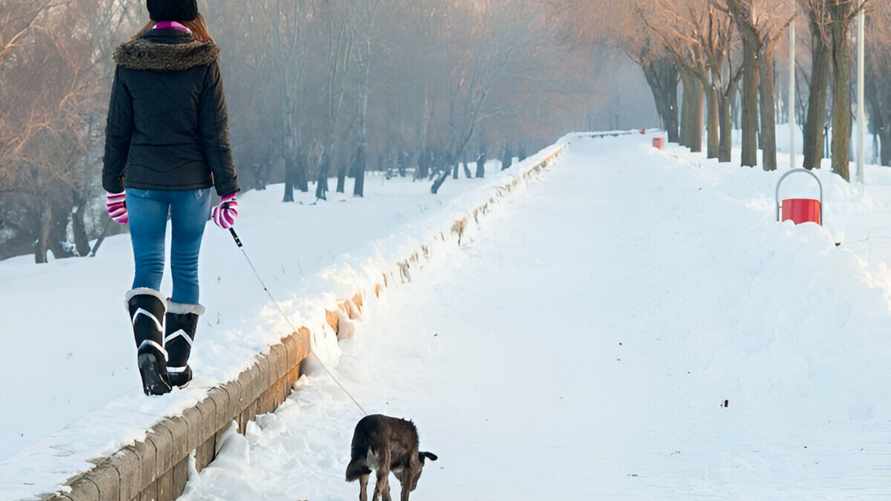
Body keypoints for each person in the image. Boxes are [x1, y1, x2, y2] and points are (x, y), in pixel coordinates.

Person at [102, 0, 240, 395]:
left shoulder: (130, 61)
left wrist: (113, 185)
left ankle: (148, 349)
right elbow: (216, 133)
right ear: (190, 14)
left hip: (142, 181)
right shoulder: (203, 61)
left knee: (147, 266)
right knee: (186, 267)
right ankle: (177, 368)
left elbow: (117, 132)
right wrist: (228, 191)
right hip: (191, 183)